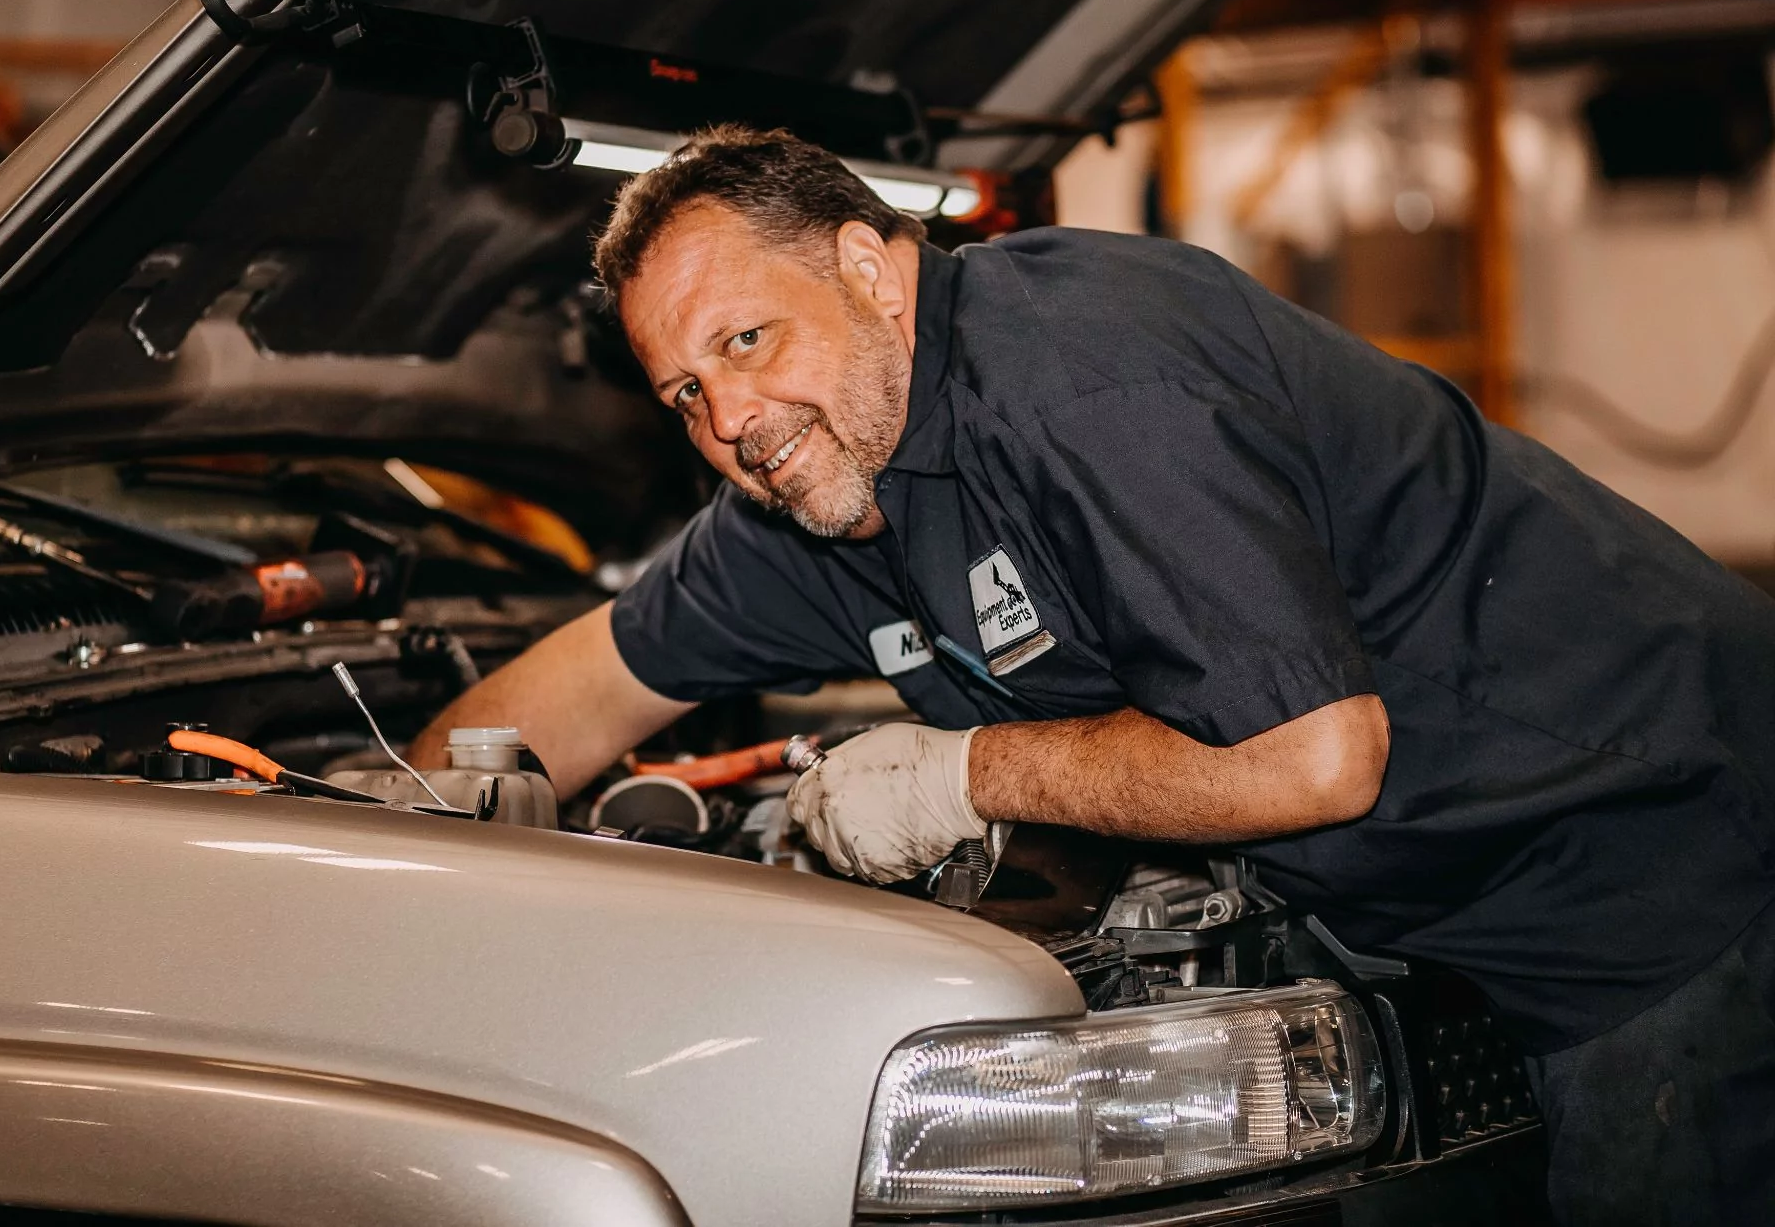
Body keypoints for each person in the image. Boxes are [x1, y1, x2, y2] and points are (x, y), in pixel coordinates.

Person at [410, 125, 1775, 1222]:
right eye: (683, 392)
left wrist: (960, 774)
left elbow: (1316, 756)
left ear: (874, 271)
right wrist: (383, 816)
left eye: (746, 341)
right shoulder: (815, 491)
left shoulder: (1084, 383)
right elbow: (586, 686)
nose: (730, 423)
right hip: (1438, 930)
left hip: (1668, 861)